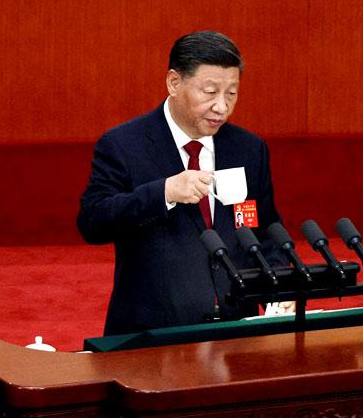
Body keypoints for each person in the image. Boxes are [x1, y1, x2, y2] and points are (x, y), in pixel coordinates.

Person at [78, 31, 282, 336]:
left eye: (231, 93)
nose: (221, 107)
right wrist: (164, 193)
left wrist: (282, 288)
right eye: (210, 92)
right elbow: (93, 222)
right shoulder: (123, 145)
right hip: (152, 333)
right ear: (174, 83)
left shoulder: (248, 149)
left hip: (237, 329)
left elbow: (265, 230)